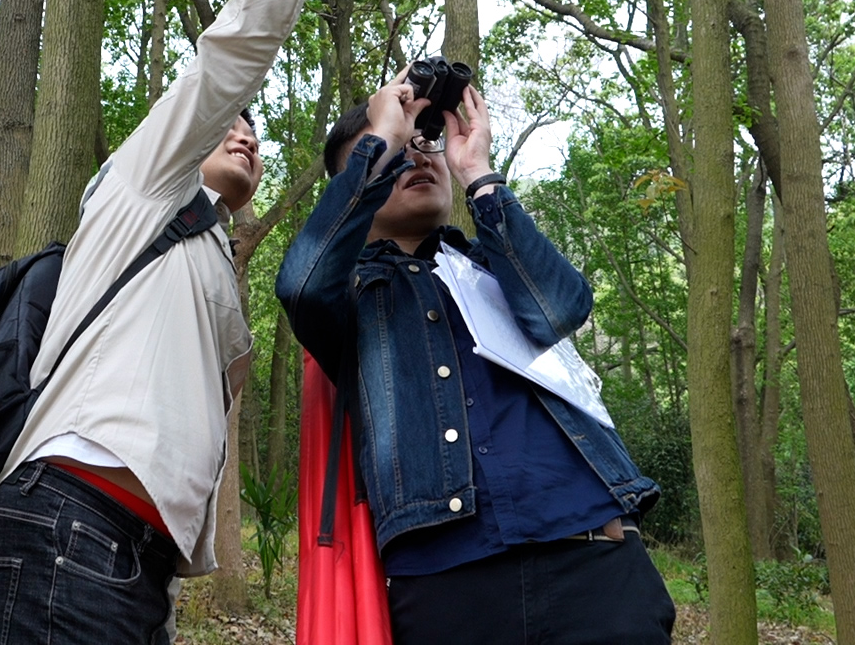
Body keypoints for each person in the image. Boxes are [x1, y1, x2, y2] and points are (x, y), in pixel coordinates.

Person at [0, 0, 368, 644]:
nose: (247, 136)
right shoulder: (144, 180)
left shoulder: (208, 251)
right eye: (233, 127)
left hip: (125, 558)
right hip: (67, 524)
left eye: (257, 135)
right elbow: (230, 61)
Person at [276, 77, 675, 645]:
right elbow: (300, 284)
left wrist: (479, 177)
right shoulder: (348, 298)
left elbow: (561, 308)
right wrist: (378, 143)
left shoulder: (497, 263)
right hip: (445, 585)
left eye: (426, 142)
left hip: (593, 564)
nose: (417, 155)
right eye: (395, 149)